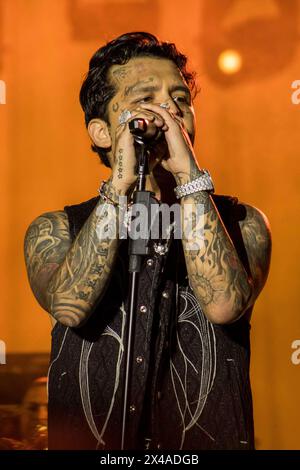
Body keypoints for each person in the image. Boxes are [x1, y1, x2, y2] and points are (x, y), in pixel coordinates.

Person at [24, 32, 271, 450]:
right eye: (147, 98)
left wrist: (190, 178)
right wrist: (120, 182)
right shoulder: (55, 229)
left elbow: (224, 305)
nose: (169, 110)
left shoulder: (243, 222)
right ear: (102, 132)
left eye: (180, 99)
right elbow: (70, 305)